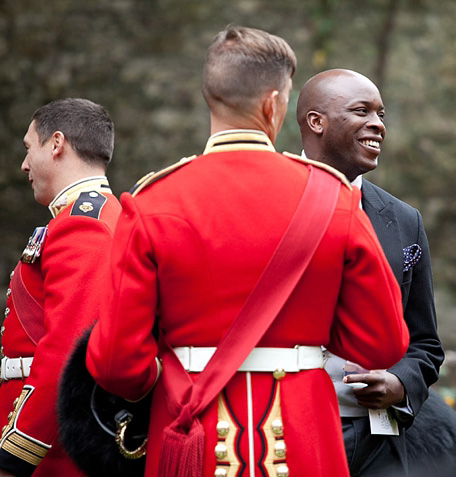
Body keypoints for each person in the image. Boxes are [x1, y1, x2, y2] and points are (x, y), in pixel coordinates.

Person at [84, 27, 409, 477]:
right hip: (302, 430)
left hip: (191, 422)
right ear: (273, 104)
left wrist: (167, 372)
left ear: (210, 98)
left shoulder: (153, 199)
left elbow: (117, 362)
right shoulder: (332, 195)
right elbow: (382, 341)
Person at [297, 69, 446, 477]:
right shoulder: (268, 201)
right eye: (361, 111)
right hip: (287, 429)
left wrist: (400, 383)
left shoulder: (403, 220)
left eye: (382, 114)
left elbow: (426, 344)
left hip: (377, 440)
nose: (378, 124)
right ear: (316, 122)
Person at [0, 98, 120, 476]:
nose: (23, 164)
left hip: (52, 449)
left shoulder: (83, 222)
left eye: (28, 147)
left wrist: (15, 453)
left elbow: (66, 352)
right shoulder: (87, 214)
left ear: (56, 144)